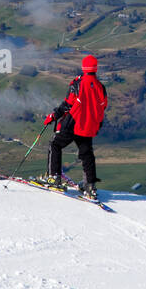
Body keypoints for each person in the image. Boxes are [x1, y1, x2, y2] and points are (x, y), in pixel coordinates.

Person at [44, 55, 108, 198]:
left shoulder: (78, 83)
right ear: (95, 68)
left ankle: (54, 178)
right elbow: (103, 107)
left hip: (73, 122)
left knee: (55, 145)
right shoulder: (100, 87)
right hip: (89, 125)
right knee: (87, 154)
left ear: (83, 67)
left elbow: (68, 104)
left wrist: (54, 115)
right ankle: (89, 186)